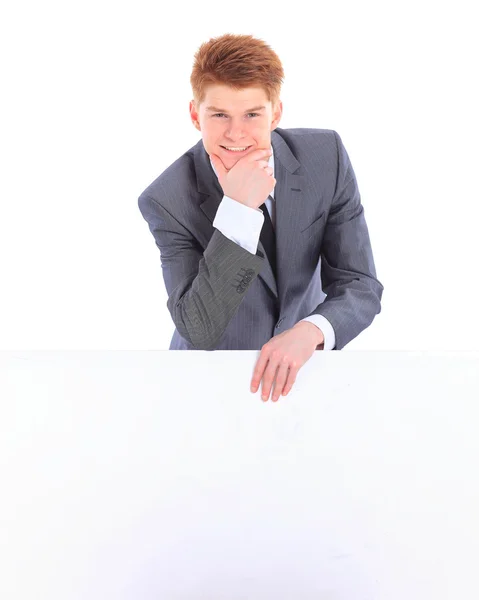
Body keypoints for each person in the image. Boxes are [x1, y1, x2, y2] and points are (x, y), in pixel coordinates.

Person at [137, 33, 384, 402]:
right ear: (194, 115)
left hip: (307, 378)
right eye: (219, 115)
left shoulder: (325, 158)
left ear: (276, 113)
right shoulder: (167, 199)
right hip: (207, 390)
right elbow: (199, 329)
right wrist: (238, 210)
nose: (236, 134)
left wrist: (312, 330)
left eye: (252, 114)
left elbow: (360, 283)